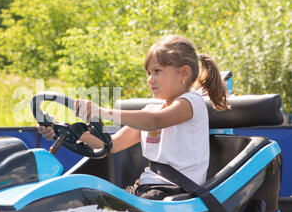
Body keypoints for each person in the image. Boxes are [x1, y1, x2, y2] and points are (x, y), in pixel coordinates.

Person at [37, 34, 230, 200]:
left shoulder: (191, 102)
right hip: (149, 189)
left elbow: (155, 121)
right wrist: (68, 131)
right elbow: (112, 144)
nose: (149, 79)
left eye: (157, 71)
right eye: (148, 73)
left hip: (178, 193)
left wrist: (102, 112)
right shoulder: (152, 109)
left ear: (184, 73)